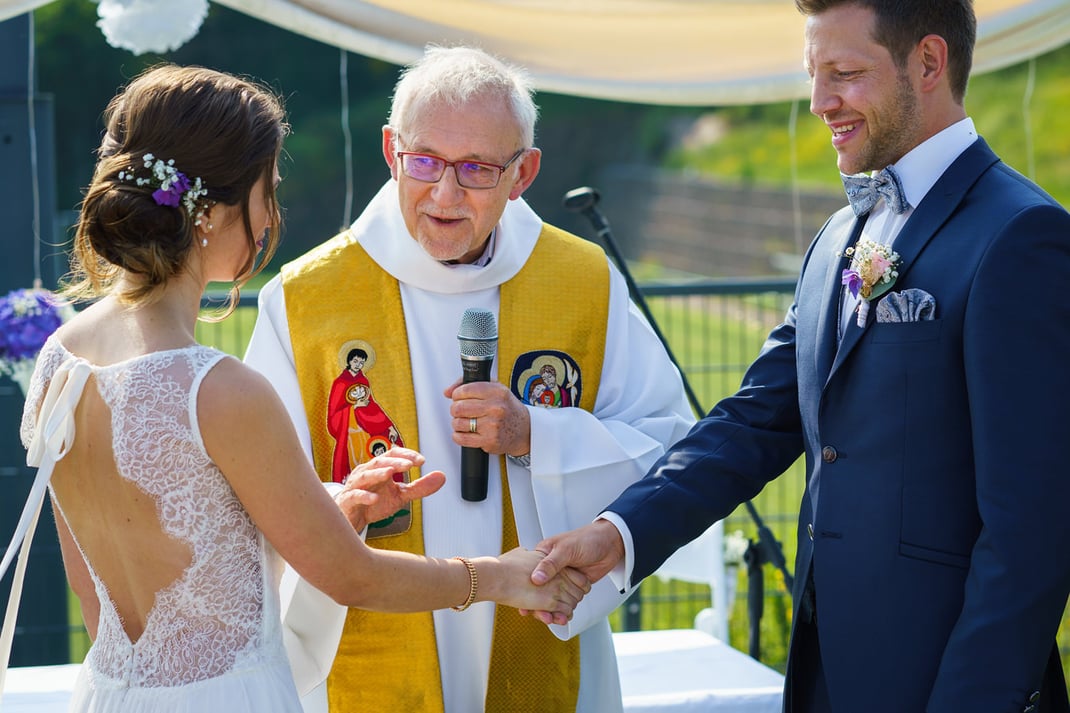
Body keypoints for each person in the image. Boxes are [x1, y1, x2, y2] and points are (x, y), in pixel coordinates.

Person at [530, 2, 1070, 711]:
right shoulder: (836, 237)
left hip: (950, 683)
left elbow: (1031, 533)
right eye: (815, 76)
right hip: (823, 676)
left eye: (844, 74)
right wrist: (618, 534)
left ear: (930, 64)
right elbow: (752, 422)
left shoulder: (1022, 237)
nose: (820, 103)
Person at [16, 63, 585, 713]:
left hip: (111, 695)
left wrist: (336, 505)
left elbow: (109, 591)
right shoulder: (220, 389)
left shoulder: (57, 360)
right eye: (269, 189)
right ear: (217, 210)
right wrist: (499, 576)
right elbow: (350, 574)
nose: (273, 213)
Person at [243, 45, 694, 713]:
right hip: (370, 639)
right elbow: (255, 491)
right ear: (392, 150)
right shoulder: (306, 298)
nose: (445, 194)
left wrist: (536, 433)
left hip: (538, 635)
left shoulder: (582, 283)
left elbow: (668, 445)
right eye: (424, 161)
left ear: (524, 173)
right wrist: (348, 504)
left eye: (477, 169)